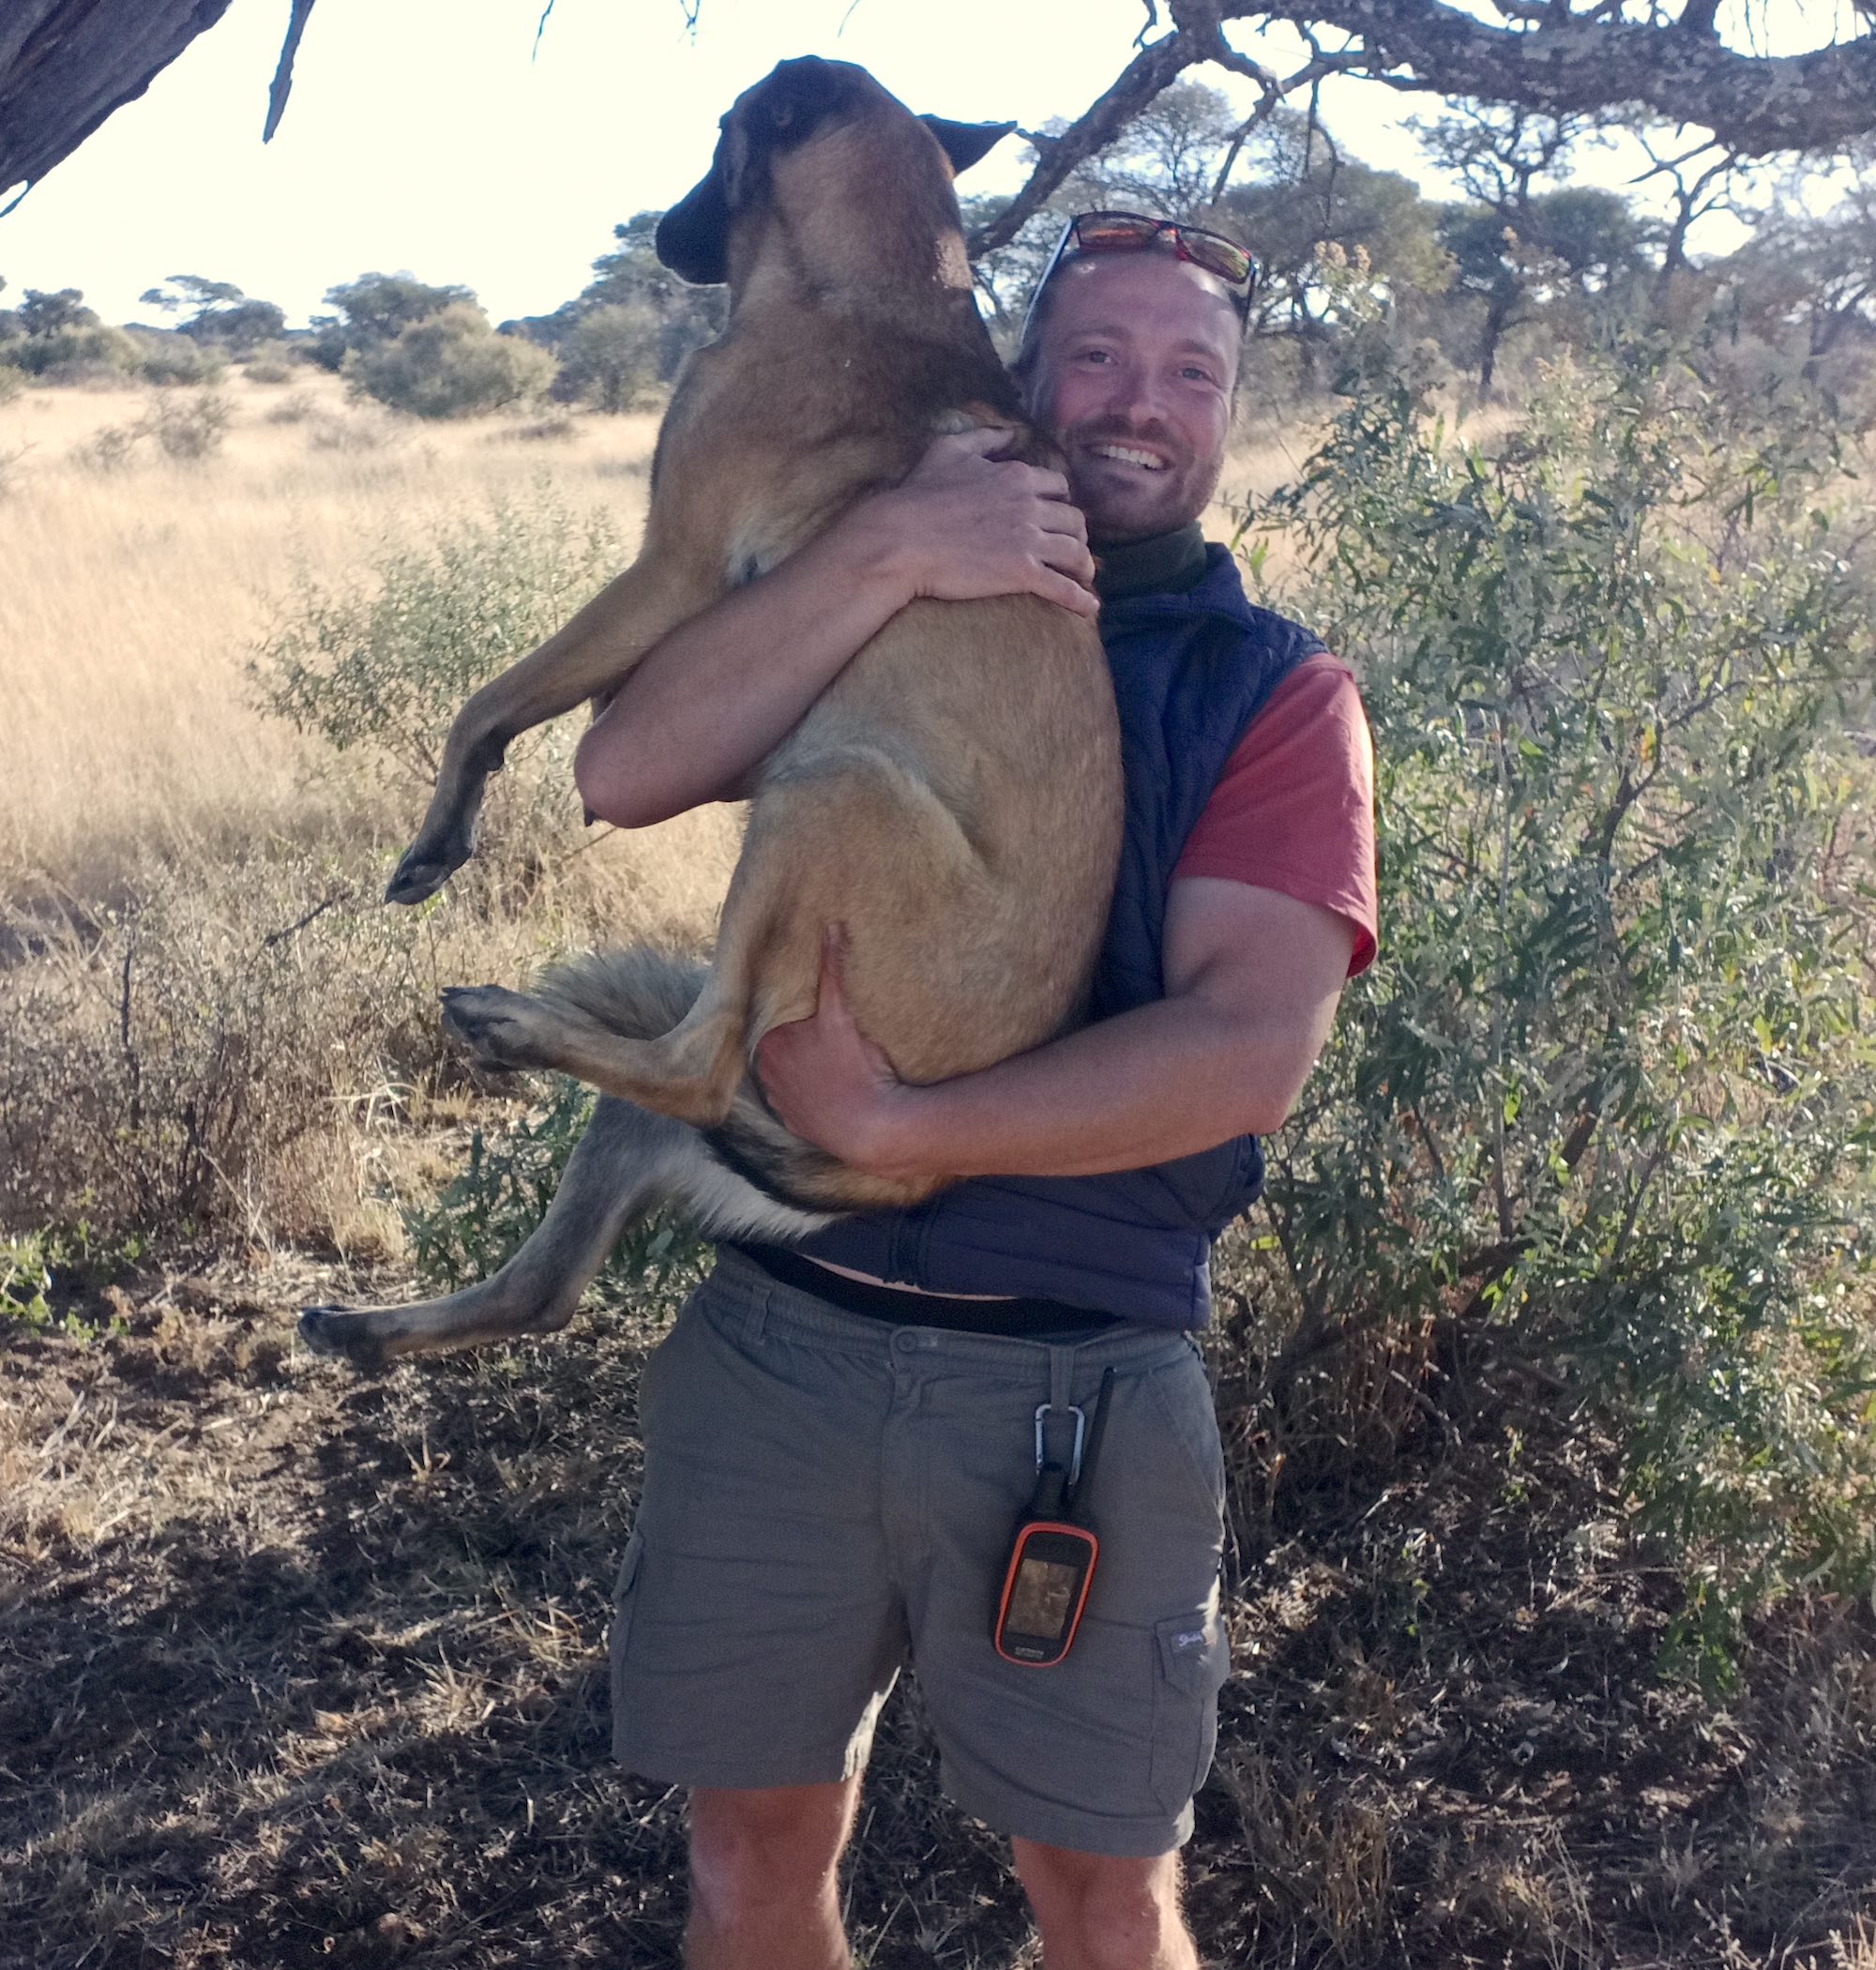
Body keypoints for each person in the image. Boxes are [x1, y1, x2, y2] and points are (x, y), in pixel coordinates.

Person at [573, 210, 1377, 1970]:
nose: (1136, 404)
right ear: (1026, 371)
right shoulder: (888, 564)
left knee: (1098, 1896)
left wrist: (909, 1131)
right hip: (782, 1339)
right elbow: (623, 767)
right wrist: (880, 554)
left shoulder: (1269, 690)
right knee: (746, 1854)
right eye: (1094, 356)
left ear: (1234, 414)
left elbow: (1248, 1052)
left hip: (1071, 1376)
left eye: (1191, 373)